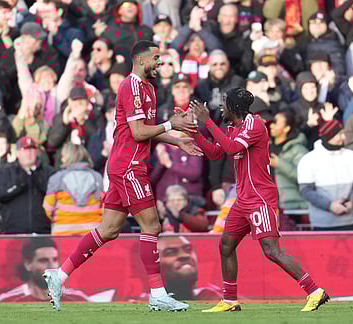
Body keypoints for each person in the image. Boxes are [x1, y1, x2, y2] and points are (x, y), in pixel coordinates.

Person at [42, 40, 200, 312]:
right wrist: (171, 124)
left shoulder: (148, 88)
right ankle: (157, 293)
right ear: (141, 60)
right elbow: (139, 132)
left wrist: (176, 139)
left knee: (109, 229)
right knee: (151, 226)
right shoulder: (131, 86)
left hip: (125, 164)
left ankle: (60, 275)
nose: (159, 63)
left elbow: (147, 130)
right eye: (156, 58)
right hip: (128, 166)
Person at [190, 87, 329, 312]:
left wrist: (207, 122)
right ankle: (230, 300)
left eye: (224, 103)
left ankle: (314, 291)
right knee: (226, 244)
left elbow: (232, 147)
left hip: (259, 198)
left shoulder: (255, 125)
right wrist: (195, 132)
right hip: (243, 199)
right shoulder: (234, 126)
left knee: (271, 250)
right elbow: (217, 152)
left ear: (234, 107)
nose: (221, 107)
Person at [0, 237, 93, 303]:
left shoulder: (78, 299)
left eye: (54, 260)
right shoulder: (7, 301)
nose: (51, 266)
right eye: (43, 260)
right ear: (28, 264)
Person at [156, 235, 222, 300]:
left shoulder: (212, 297)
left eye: (188, 249)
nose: (185, 255)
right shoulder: (148, 302)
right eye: (170, 252)